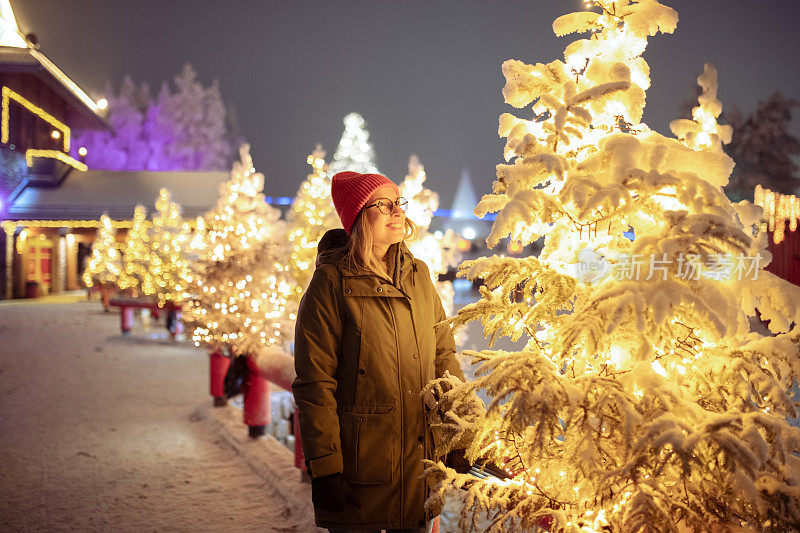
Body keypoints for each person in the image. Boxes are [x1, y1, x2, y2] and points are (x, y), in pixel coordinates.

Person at [292, 171, 467, 533]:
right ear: (358, 215)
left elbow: (444, 357)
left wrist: (461, 434)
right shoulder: (331, 282)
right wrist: (326, 469)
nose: (397, 211)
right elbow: (315, 382)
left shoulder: (418, 274)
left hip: (418, 467)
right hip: (360, 469)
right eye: (383, 204)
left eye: (398, 202)